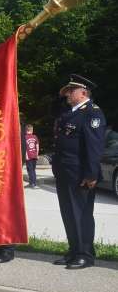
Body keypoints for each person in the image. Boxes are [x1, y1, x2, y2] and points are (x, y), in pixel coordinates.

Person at [51, 74, 106, 269]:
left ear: (83, 93)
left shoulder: (92, 113)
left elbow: (94, 147)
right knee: (68, 213)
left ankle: (85, 255)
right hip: (65, 173)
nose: (67, 94)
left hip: (81, 174)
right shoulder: (68, 113)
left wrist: (91, 174)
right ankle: (74, 250)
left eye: (70, 90)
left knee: (81, 214)